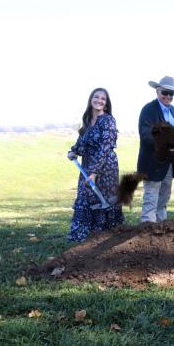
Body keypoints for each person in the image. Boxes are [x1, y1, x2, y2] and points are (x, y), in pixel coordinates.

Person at [66, 88, 124, 241]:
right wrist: (73, 151)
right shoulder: (86, 121)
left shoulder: (108, 120)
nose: (99, 100)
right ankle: (83, 237)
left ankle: (104, 237)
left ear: (106, 103)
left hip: (105, 168)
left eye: (103, 98)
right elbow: (81, 143)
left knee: (102, 200)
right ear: (91, 99)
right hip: (87, 166)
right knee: (85, 197)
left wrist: (95, 171)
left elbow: (106, 147)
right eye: (96, 97)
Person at [137, 76, 174, 223]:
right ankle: (146, 236)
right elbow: (146, 135)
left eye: (172, 93)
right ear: (157, 91)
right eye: (165, 92)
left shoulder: (172, 110)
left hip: (168, 163)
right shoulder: (148, 109)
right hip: (152, 163)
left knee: (163, 201)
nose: (168, 96)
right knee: (151, 201)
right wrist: (166, 147)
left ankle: (161, 234)